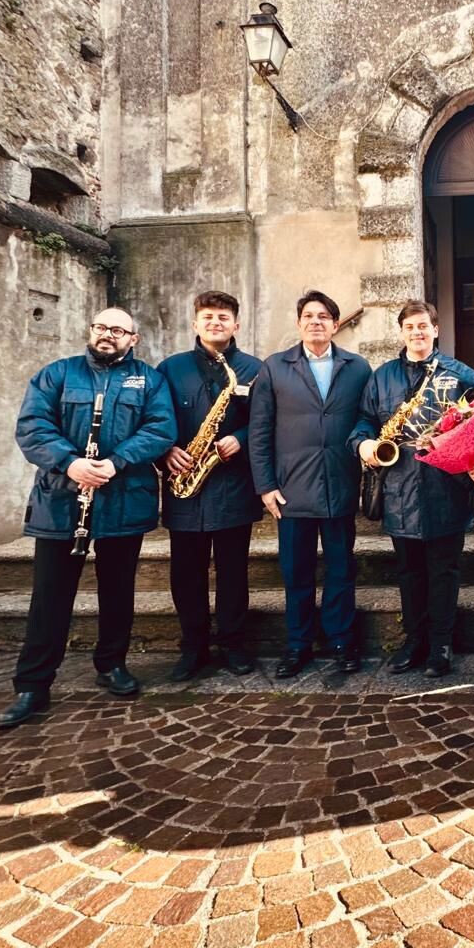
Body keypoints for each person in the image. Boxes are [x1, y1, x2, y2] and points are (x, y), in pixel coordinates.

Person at [0, 307, 177, 729]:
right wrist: (70, 463)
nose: (107, 335)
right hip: (62, 500)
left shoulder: (149, 379)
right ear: (91, 331)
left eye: (117, 330)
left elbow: (160, 429)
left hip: (122, 499)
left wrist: (115, 462)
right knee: (50, 597)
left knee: (118, 591)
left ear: (134, 338)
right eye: (101, 327)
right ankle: (33, 685)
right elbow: (33, 427)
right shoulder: (57, 374)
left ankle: (111, 664)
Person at [249, 291, 373, 678]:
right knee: (296, 573)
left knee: (340, 570)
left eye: (324, 316)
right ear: (299, 323)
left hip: (339, 486)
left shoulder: (358, 367)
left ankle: (341, 642)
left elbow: (368, 419)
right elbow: (259, 431)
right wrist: (265, 486)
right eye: (308, 315)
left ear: (336, 325)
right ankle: (298, 645)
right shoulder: (274, 367)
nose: (316, 321)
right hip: (291, 491)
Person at [352, 300, 474, 678]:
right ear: (402, 332)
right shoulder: (382, 376)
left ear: (436, 330)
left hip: (445, 486)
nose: (417, 332)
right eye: (410, 327)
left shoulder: (461, 375)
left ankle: (441, 644)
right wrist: (364, 445)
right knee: (409, 572)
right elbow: (364, 420)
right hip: (399, 486)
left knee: (444, 571)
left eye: (424, 326)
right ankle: (413, 641)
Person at [158, 291, 264, 682]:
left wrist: (243, 436)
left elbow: (266, 421)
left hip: (233, 485)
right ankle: (193, 647)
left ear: (237, 324)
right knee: (186, 574)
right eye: (207, 316)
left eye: (223, 317)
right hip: (184, 484)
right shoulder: (170, 369)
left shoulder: (255, 369)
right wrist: (165, 450)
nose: (215, 322)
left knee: (234, 572)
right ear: (195, 323)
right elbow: (154, 418)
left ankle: (234, 645)